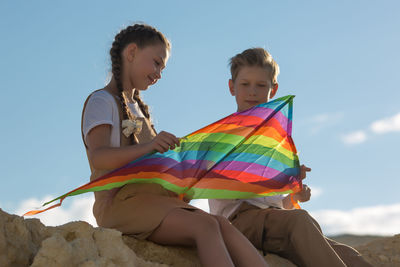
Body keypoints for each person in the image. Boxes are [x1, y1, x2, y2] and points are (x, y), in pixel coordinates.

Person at [81, 24, 269, 267]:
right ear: (131, 53)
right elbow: (99, 157)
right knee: (205, 226)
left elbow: (152, 167)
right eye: (157, 62)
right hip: (121, 206)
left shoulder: (139, 109)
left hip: (155, 200)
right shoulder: (102, 101)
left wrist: (187, 172)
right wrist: (149, 147)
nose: (159, 73)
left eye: (163, 67)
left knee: (220, 223)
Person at [209, 48, 372, 267]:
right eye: (245, 84)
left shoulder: (276, 140)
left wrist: (293, 194)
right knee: (300, 221)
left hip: (275, 220)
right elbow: (224, 186)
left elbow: (276, 204)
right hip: (238, 221)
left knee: (349, 255)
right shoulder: (222, 136)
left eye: (261, 85)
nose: (252, 92)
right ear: (232, 87)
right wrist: (279, 177)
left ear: (273, 90)